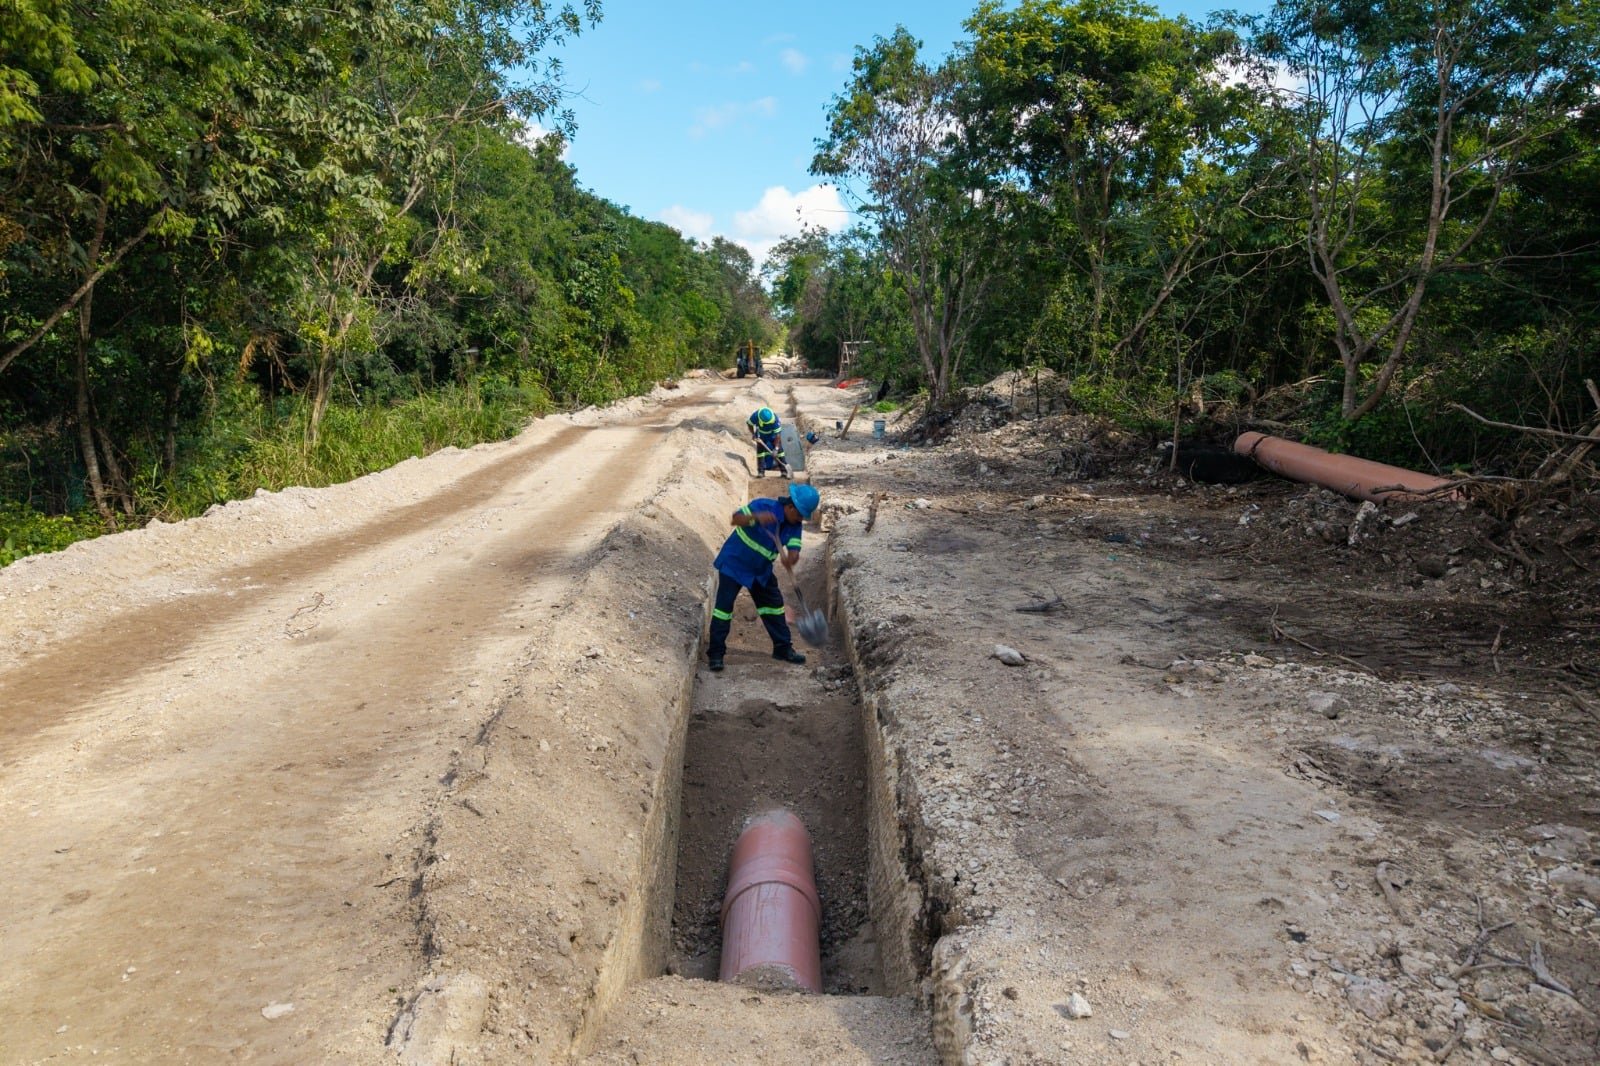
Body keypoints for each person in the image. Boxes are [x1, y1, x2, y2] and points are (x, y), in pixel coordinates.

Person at [707, 484, 821, 672]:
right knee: (723, 609)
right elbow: (735, 519)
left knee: (774, 607)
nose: (800, 519)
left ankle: (782, 649)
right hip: (734, 563)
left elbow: (794, 548)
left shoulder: (794, 525)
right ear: (790, 506)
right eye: (799, 514)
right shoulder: (762, 506)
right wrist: (755, 518)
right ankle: (716, 654)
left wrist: (792, 557)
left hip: (760, 571)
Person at [746, 406, 787, 478]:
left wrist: (776, 448)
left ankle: (784, 471)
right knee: (760, 453)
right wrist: (754, 434)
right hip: (761, 436)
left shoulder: (775, 420)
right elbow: (749, 424)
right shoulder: (755, 416)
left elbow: (778, 435)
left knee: (780, 452)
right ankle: (761, 472)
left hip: (773, 436)